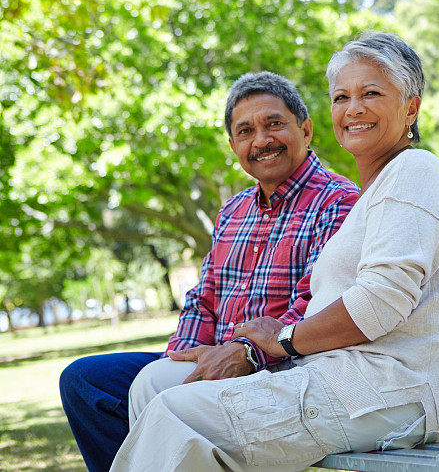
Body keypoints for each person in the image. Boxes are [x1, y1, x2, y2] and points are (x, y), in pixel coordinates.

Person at [110, 32, 439, 472]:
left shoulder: (415, 171)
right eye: (341, 97)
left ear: (410, 108)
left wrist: (280, 340)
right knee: (158, 390)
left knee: (178, 414)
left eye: (371, 93)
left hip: (393, 390)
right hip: (341, 379)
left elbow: (380, 302)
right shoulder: (378, 192)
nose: (353, 108)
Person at [59, 71, 359, 472]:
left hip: (277, 368)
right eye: (246, 131)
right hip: (210, 353)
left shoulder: (338, 202)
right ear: (233, 145)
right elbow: (204, 297)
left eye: (274, 124)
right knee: (85, 380)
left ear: (305, 129)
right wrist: (183, 357)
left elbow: (314, 303)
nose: (261, 140)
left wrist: (247, 353)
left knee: (156, 393)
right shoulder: (233, 211)